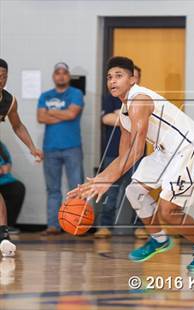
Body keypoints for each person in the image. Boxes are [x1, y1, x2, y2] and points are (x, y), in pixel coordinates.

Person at [67, 57, 194, 271]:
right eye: (109, 77)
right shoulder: (123, 114)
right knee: (134, 191)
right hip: (167, 151)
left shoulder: (139, 100)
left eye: (119, 76)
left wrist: (106, 180)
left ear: (132, 79)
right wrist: (100, 180)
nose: (112, 81)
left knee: (168, 210)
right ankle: (159, 240)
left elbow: (137, 151)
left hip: (191, 147)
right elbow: (124, 157)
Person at [0, 58, 43, 257]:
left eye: (4, 76)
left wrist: (32, 147)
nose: (1, 80)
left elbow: (17, 126)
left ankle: (3, 237)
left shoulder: (9, 101)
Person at [37, 62, 84, 236]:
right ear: (53, 76)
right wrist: (63, 113)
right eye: (58, 73)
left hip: (72, 147)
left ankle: (76, 225)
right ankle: (53, 226)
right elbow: (40, 117)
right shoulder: (45, 95)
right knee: (53, 190)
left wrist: (51, 112)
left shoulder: (76, 93)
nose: (61, 76)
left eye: (64, 73)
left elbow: (72, 114)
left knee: (76, 188)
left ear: (68, 75)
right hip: (50, 149)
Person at [95, 65, 142, 239]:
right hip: (113, 152)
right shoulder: (111, 97)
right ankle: (105, 226)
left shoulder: (142, 99)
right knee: (110, 190)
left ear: (134, 79)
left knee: (137, 191)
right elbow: (106, 118)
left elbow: (141, 122)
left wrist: (120, 116)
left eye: (135, 76)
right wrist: (126, 117)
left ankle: (140, 227)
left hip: (137, 152)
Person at [0, 140, 26, 234]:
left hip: (5, 181)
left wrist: (5, 168)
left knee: (18, 188)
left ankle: (7, 226)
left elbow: (8, 164)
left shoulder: (2, 146)